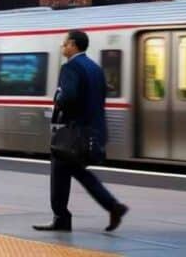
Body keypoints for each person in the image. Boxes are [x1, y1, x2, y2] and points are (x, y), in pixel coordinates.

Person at [33, 30, 129, 232]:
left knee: (59, 171)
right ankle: (112, 206)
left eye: (65, 43)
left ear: (74, 45)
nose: (63, 47)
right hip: (93, 131)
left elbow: (67, 97)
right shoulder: (95, 68)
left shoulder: (71, 67)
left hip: (73, 133)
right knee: (77, 171)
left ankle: (61, 218)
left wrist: (57, 100)